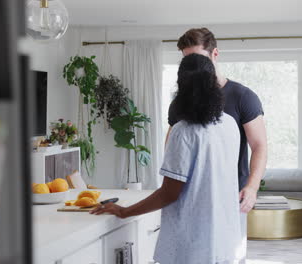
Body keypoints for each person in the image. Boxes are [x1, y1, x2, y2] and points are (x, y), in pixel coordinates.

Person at [91, 53, 245, 263]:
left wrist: (124, 211)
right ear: (214, 83)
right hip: (225, 241)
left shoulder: (183, 132)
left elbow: (169, 193)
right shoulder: (229, 124)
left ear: (181, 86)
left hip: (191, 247)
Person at [167, 28, 268, 258]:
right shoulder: (180, 103)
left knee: (230, 256)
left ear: (215, 54)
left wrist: (251, 188)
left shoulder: (243, 97)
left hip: (231, 198)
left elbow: (260, 145)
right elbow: (171, 144)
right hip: (190, 199)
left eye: (198, 59)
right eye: (187, 60)